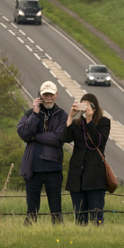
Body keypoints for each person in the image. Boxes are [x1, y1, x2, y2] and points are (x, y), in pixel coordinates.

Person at [17, 80, 68, 224]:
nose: (48, 98)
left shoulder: (62, 115)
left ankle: (58, 232)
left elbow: (58, 139)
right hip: (33, 168)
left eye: (51, 95)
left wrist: (35, 137)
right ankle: (30, 231)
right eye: (45, 95)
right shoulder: (30, 113)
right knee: (31, 209)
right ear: (40, 95)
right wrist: (35, 114)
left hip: (53, 169)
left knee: (56, 208)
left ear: (56, 95)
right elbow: (24, 134)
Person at [64, 93, 112, 225]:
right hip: (77, 176)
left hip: (95, 176)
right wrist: (70, 116)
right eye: (82, 106)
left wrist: (90, 121)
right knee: (79, 217)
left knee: (96, 216)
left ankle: (97, 237)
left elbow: (99, 141)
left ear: (94, 108)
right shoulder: (77, 123)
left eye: (87, 106)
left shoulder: (104, 122)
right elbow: (65, 138)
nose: (85, 109)